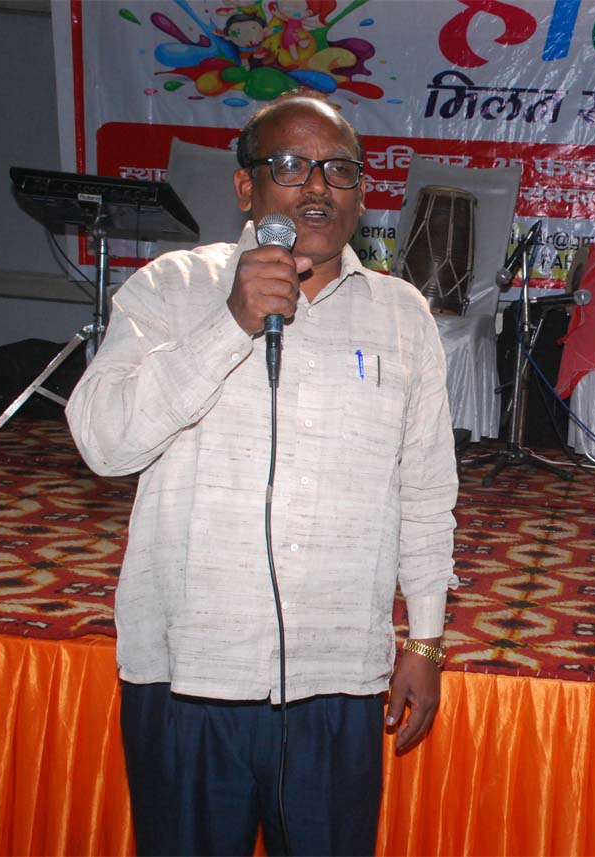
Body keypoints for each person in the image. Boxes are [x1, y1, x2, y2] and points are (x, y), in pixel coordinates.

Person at [66, 91, 458, 855]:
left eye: (339, 169)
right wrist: (232, 323)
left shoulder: (402, 314)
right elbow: (103, 443)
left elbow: (426, 491)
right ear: (246, 187)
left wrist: (427, 639)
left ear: (362, 193)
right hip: (190, 672)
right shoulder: (173, 287)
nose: (317, 187)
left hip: (336, 677)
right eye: (290, 165)